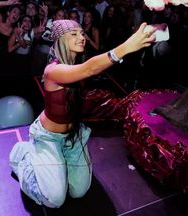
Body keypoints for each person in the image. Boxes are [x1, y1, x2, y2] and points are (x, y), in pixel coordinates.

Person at [9, 19, 156, 208]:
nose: (82, 37)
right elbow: (90, 68)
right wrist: (126, 47)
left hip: (73, 135)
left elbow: (86, 72)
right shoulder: (53, 70)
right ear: (61, 39)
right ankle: (24, 155)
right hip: (49, 138)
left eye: (81, 33)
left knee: (79, 191)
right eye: (74, 34)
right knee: (54, 200)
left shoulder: (75, 65)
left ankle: (58, 162)